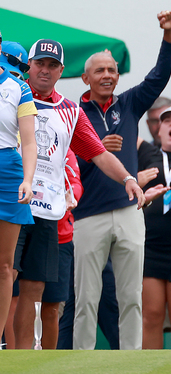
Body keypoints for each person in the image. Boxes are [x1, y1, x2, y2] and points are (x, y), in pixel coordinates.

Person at [13, 38, 144, 349]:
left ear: (61, 71)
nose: (45, 70)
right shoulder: (11, 96)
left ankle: (27, 360)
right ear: (28, 66)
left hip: (48, 211)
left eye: (52, 65)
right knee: (5, 277)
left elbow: (98, 153)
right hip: (12, 204)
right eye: (39, 63)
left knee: (34, 287)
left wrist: (127, 177)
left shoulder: (69, 111)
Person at [72, 10, 171, 350]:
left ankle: (130, 362)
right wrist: (98, 149)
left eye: (112, 70)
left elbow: (159, 77)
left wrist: (168, 37)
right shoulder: (72, 114)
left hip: (129, 211)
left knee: (131, 295)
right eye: (99, 70)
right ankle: (81, 362)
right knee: (86, 297)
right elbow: (69, 166)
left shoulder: (129, 104)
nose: (107, 75)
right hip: (87, 215)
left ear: (117, 77)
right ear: (85, 79)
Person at [139, 105, 171, 349]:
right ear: (158, 130)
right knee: (151, 317)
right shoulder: (147, 157)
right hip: (151, 247)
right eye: (166, 121)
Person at [0, 31, 36, 347]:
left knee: (4, 266)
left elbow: (29, 142)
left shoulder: (19, 88)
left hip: (8, 174)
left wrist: (28, 178)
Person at [40, 149, 81, 349]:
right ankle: (16, 359)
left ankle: (46, 363)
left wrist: (71, 196)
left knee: (53, 308)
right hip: (23, 230)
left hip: (60, 236)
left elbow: (75, 182)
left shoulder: (64, 148)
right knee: (18, 300)